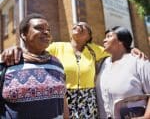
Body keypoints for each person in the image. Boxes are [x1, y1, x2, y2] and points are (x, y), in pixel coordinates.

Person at [1, 22, 147, 118]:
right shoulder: (57, 47)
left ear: (89, 36)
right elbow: (32, 49)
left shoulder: (94, 50)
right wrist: (15, 49)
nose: (79, 25)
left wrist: (132, 49)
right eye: (77, 24)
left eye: (84, 26)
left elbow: (117, 47)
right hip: (64, 98)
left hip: (89, 99)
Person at [0, 13, 67, 119]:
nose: (46, 32)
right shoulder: (8, 62)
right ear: (23, 35)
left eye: (48, 30)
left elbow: (62, 101)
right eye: (39, 28)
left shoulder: (57, 64)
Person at [96, 26, 150, 119]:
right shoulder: (102, 64)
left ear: (121, 41)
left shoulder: (139, 62)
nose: (104, 40)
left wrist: (146, 117)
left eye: (109, 36)